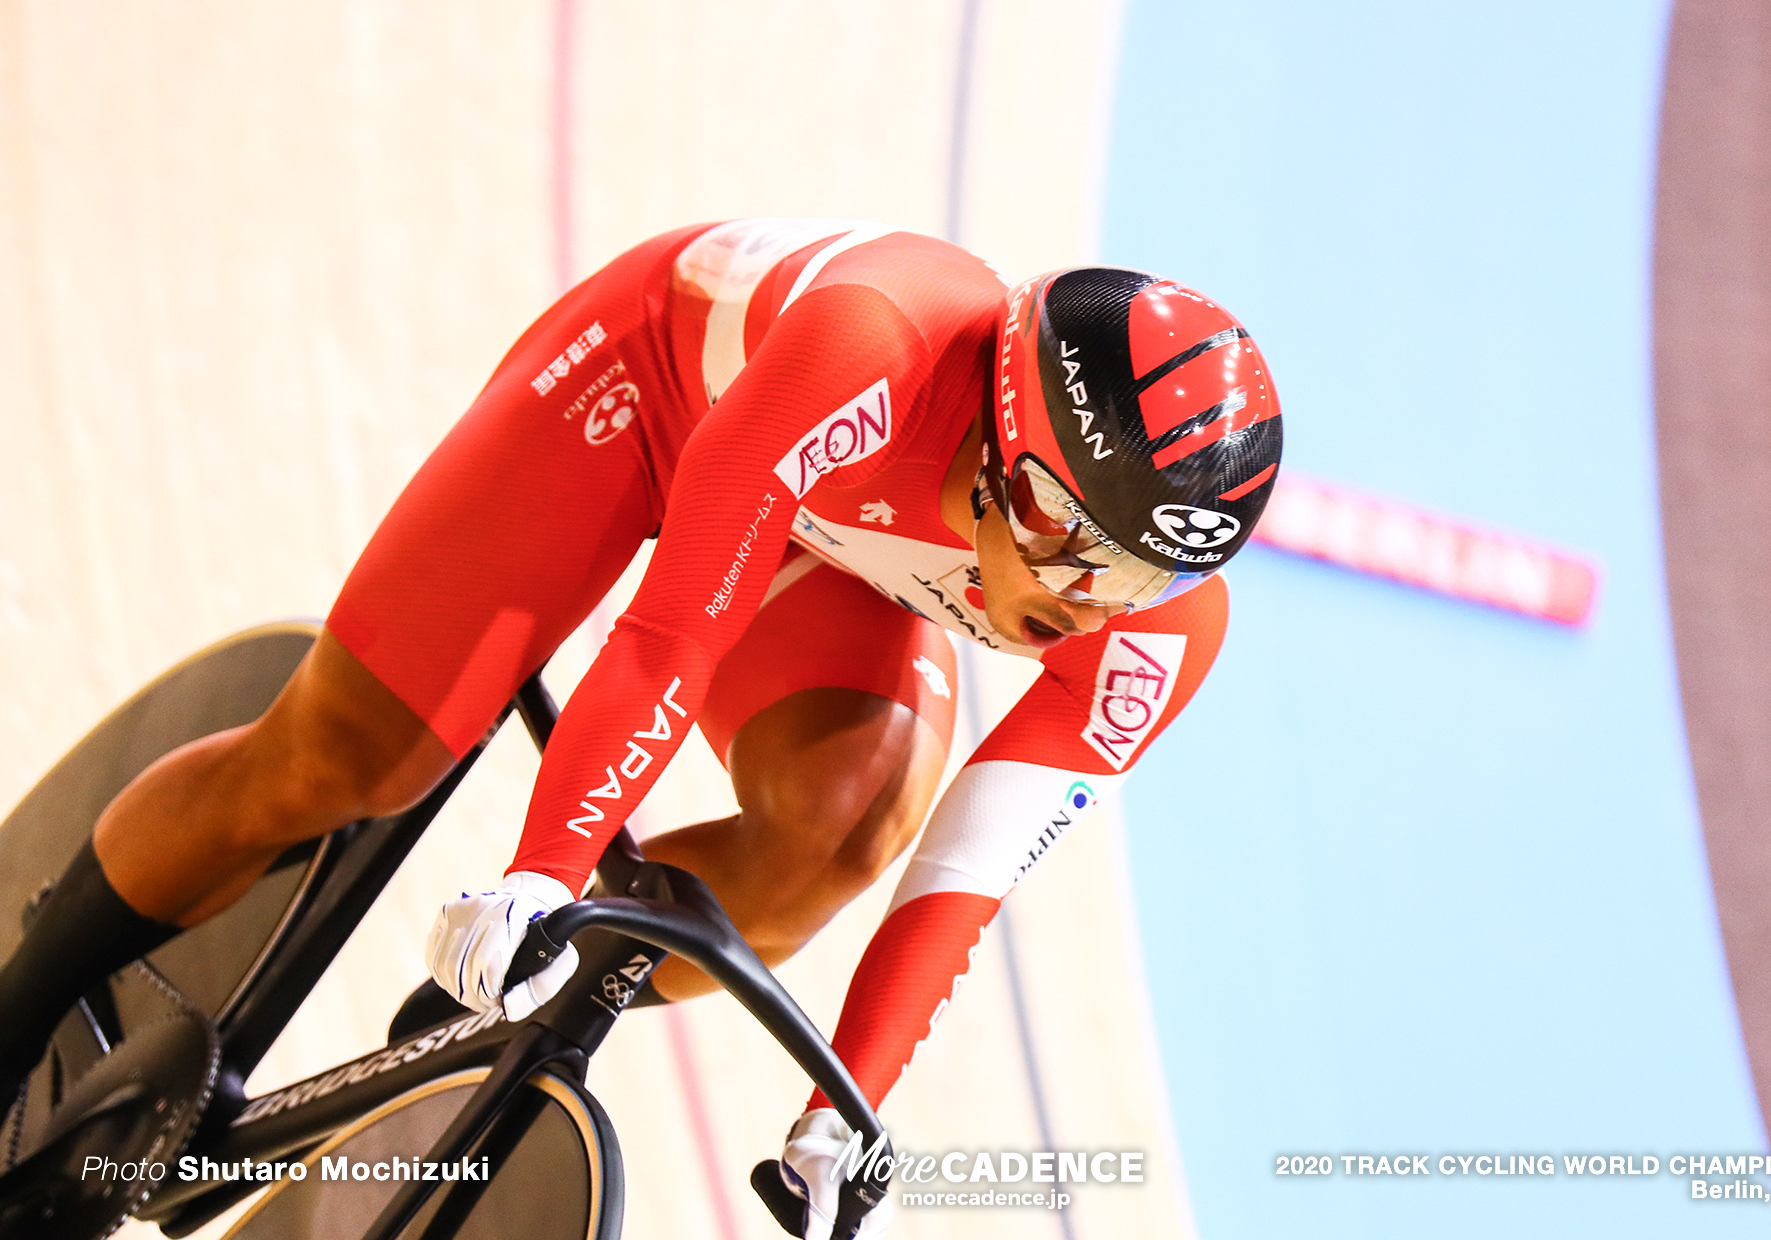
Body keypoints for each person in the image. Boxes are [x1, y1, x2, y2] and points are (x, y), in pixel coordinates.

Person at [0, 218, 1281, 1238]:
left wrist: (854, 1102)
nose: (1084, 608)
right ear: (1005, 453)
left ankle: (438, 1048)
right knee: (352, 757)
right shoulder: (870, 346)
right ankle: (16, 1005)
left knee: (845, 829)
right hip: (650, 395)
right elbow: (673, 634)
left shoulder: (1161, 629)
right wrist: (545, 865)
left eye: (1135, 580)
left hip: (832, 531)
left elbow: (965, 870)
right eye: (1072, 551)